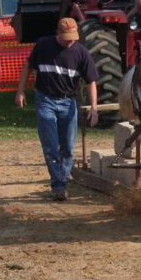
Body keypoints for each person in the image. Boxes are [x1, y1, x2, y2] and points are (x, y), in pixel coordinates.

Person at [15, 16, 98, 201]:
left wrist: (94, 107)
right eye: (67, 37)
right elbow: (28, 66)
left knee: (68, 146)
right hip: (45, 100)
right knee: (51, 145)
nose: (70, 41)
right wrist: (20, 91)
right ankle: (59, 185)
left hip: (68, 102)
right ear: (58, 33)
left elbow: (91, 81)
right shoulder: (44, 45)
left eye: (73, 37)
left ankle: (63, 176)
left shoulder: (81, 53)